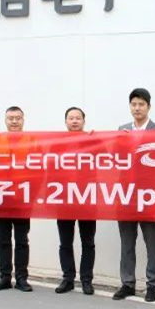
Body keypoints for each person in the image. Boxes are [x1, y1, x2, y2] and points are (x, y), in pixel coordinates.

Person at [114, 87, 155, 303]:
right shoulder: (122, 130)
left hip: (149, 194)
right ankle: (128, 283)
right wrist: (118, 141)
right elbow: (115, 159)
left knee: (152, 241)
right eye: (134, 104)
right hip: (126, 193)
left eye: (141, 104)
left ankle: (152, 285)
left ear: (148, 107)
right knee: (127, 241)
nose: (137, 108)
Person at [0, 106, 35, 293]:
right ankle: (5, 277)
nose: (14, 121)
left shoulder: (32, 141)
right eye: (11, 118)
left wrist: (33, 193)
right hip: (0, 197)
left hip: (22, 198)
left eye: (18, 118)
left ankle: (22, 278)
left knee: (22, 240)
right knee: (3, 240)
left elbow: (41, 167)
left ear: (23, 120)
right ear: (5, 120)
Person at [55, 107, 97, 296]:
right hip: (64, 198)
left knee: (88, 242)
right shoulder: (57, 143)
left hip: (86, 197)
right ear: (66, 122)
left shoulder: (92, 141)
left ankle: (86, 280)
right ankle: (68, 279)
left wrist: (97, 139)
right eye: (71, 118)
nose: (74, 121)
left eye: (78, 118)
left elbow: (108, 157)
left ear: (83, 121)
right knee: (65, 242)